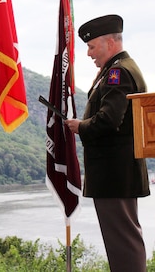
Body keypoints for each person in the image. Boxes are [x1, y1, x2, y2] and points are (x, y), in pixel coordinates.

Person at [66, 14, 149, 272]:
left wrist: (81, 126)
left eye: (92, 46)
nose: (89, 53)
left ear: (109, 43)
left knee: (123, 243)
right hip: (118, 173)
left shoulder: (118, 72)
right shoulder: (119, 68)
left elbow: (109, 120)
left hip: (115, 174)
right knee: (123, 241)